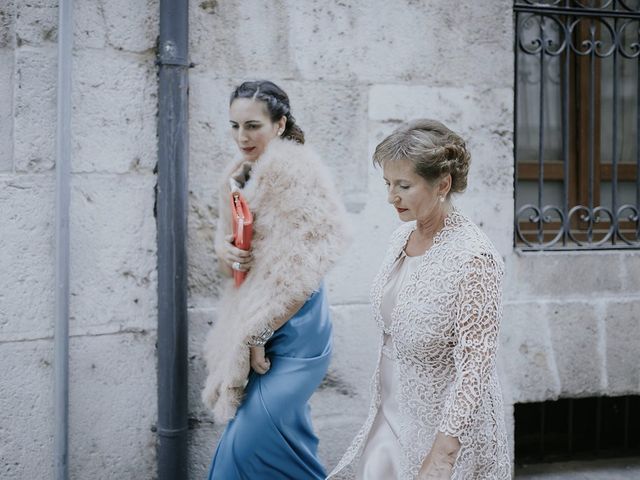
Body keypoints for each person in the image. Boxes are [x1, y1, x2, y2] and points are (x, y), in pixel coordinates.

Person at [328, 119, 511, 480]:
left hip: (444, 431)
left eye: (403, 185)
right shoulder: (400, 237)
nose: (390, 196)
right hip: (390, 415)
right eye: (387, 184)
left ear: (442, 184)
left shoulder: (475, 258)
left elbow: (476, 365)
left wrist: (444, 454)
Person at [201, 80, 350, 480]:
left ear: (280, 124)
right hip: (258, 317)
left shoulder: (294, 172)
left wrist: (257, 334)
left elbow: (307, 267)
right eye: (234, 126)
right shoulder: (241, 175)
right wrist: (223, 247)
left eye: (253, 125)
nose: (242, 136)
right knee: (282, 444)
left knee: (245, 447)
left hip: (294, 325)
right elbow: (230, 246)